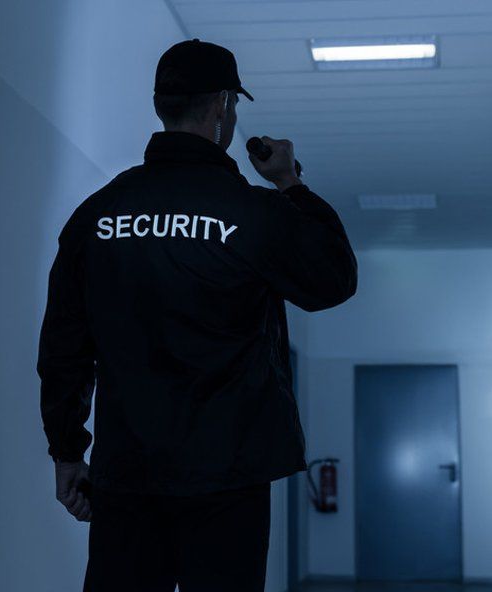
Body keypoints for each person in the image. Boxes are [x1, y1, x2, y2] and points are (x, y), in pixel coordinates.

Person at [37, 38, 358, 591]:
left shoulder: (97, 214)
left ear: (162, 106)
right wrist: (289, 183)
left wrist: (67, 450)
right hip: (228, 477)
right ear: (222, 108)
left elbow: (65, 346)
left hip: (128, 473)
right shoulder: (253, 213)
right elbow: (333, 280)